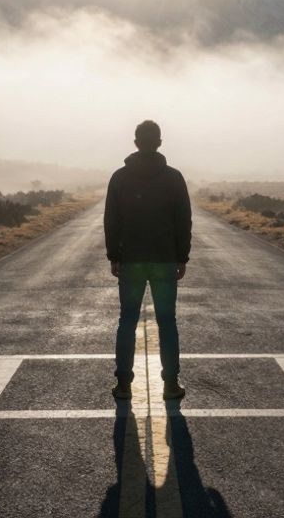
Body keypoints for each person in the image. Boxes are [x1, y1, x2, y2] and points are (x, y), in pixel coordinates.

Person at [104, 119, 191, 401]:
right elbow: (183, 221)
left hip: (131, 260)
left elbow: (111, 221)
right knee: (167, 322)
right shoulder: (174, 178)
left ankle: (124, 385)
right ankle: (170, 384)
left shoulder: (119, 178)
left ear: (135, 142)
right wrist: (182, 257)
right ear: (160, 143)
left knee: (127, 321)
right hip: (165, 259)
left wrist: (114, 256)